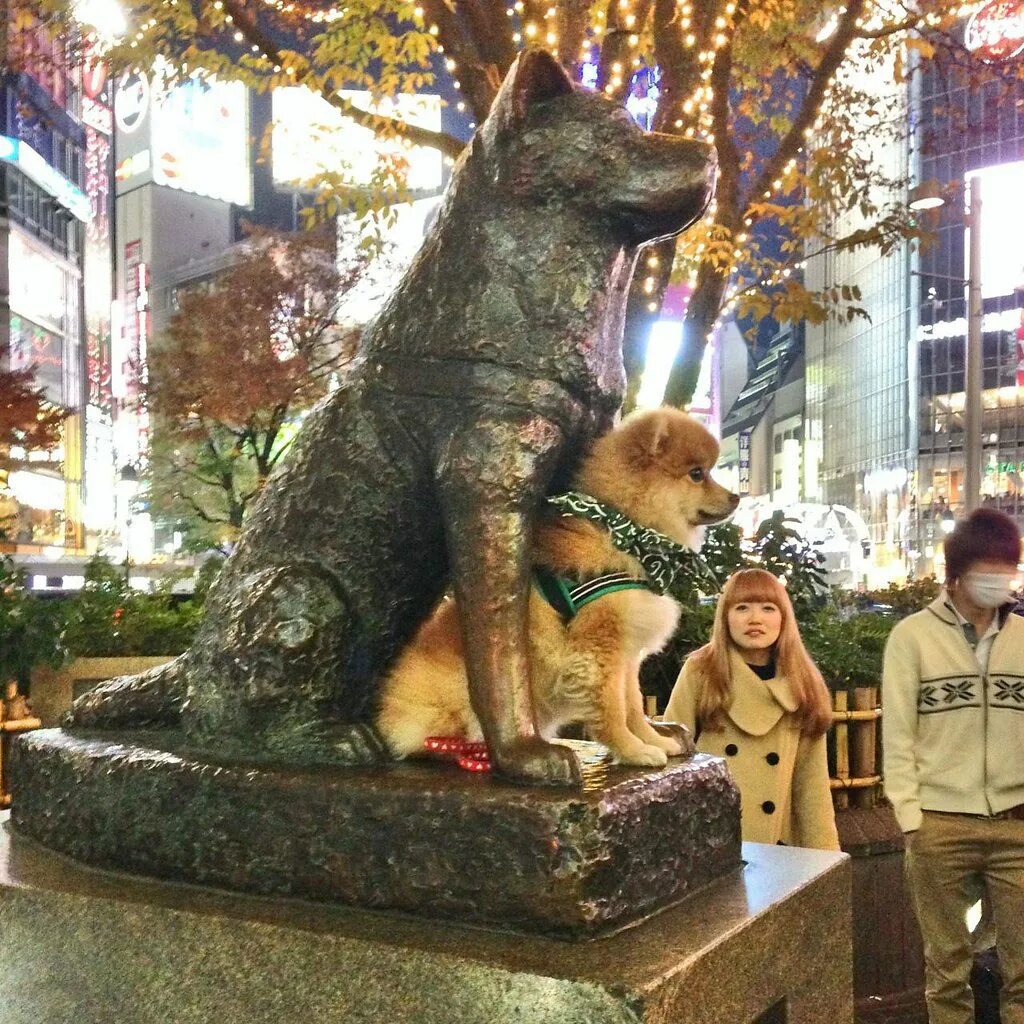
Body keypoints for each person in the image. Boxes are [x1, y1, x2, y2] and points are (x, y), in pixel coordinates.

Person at [883, 507, 1024, 1024]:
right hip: (940, 823)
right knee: (946, 972)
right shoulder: (912, 637)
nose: (999, 579)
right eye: (988, 568)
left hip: (1017, 823)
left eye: (1007, 567)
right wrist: (911, 817)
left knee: (1023, 973)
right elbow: (897, 733)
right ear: (955, 574)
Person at [665, 568, 839, 849]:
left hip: (777, 848)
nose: (755, 619)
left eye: (768, 608)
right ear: (725, 617)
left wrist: (826, 860)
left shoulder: (802, 681)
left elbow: (812, 787)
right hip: (708, 841)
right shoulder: (702, 671)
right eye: (742, 607)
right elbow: (672, 758)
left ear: (783, 618)